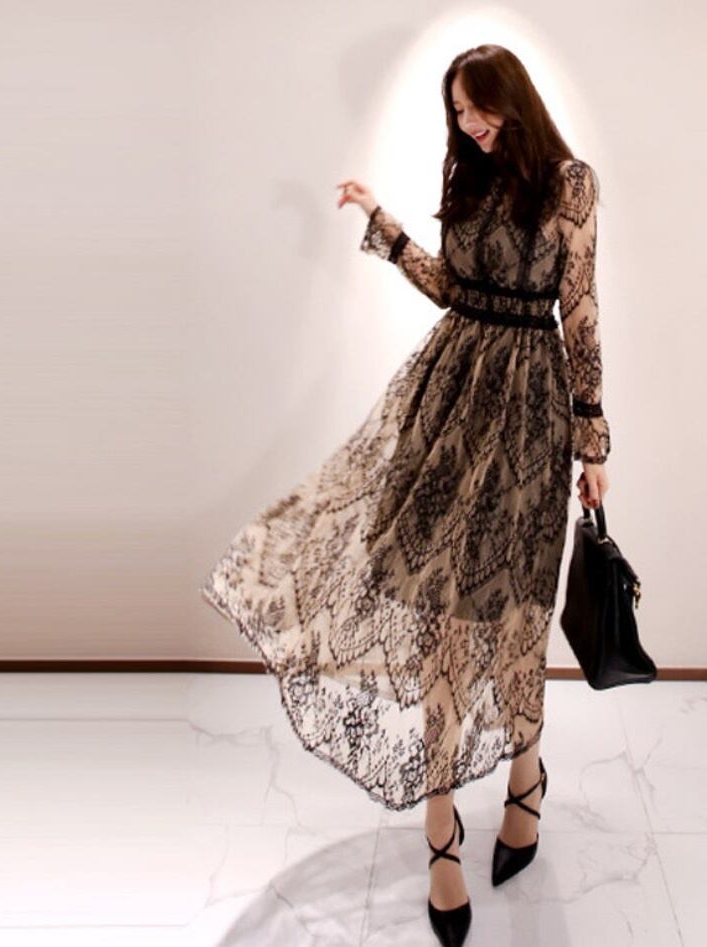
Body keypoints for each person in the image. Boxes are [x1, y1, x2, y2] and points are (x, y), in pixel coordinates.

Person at [201, 43, 610, 947]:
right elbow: (453, 289)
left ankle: (526, 776)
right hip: (447, 407)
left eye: (479, 107)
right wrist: (384, 227)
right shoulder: (465, 174)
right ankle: (439, 827)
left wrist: (592, 437)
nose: (469, 124)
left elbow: (578, 309)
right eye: (457, 111)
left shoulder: (570, 184)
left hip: (529, 417)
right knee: (438, 616)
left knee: (516, 613)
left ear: (513, 100)